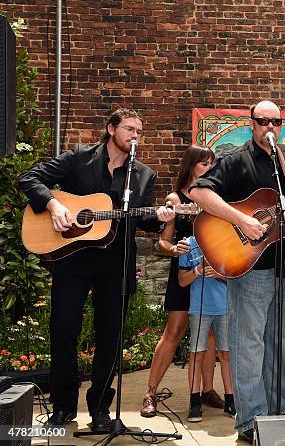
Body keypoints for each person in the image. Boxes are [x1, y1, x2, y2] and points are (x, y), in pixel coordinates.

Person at [188, 100, 285, 444]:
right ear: (252, 123)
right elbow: (198, 192)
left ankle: (278, 411)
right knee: (249, 345)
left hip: (284, 264)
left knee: (281, 341)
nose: (270, 127)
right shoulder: (236, 160)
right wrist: (241, 218)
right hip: (249, 264)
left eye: (276, 122)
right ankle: (250, 420)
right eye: (263, 121)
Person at [18, 108, 175, 431]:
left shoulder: (142, 175)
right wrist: (55, 205)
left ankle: (101, 409)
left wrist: (160, 217)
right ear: (111, 129)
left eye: (139, 131)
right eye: (130, 129)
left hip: (114, 264)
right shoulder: (79, 158)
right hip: (72, 259)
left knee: (110, 338)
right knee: (63, 331)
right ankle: (63, 407)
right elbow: (29, 178)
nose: (135, 136)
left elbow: (142, 219)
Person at [140, 146, 226, 417]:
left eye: (212, 164)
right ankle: (150, 392)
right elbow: (163, 241)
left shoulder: (214, 197)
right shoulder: (175, 198)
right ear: (191, 166)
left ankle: (206, 390)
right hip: (186, 273)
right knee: (174, 331)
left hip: (211, 275)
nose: (209, 168)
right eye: (204, 164)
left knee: (211, 333)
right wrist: (173, 249)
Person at [178, 235, 234, 422]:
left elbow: (236, 278)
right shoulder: (189, 244)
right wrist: (197, 270)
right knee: (197, 354)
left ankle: (231, 401)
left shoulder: (226, 241)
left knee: (226, 354)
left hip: (225, 307)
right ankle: (195, 403)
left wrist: (219, 274)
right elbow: (182, 281)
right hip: (199, 308)